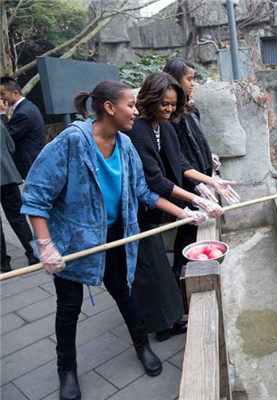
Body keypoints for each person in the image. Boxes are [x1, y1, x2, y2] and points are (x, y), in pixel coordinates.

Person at [21, 81, 207, 400]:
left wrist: (185, 212)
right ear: (109, 108)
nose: (135, 111)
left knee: (124, 292)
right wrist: (45, 245)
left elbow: (143, 191)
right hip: (71, 241)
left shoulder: (125, 145)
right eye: (130, 105)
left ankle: (142, 347)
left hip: (112, 236)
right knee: (69, 307)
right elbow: (36, 196)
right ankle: (66, 370)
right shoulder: (72, 141)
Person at [124, 72, 238, 342]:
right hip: (136, 211)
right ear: (150, 99)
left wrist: (211, 181)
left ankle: (169, 321)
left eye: (173, 104)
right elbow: (154, 180)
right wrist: (194, 201)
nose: (169, 109)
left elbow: (180, 164)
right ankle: (154, 328)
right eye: (164, 103)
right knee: (149, 272)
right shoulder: (138, 131)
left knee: (160, 271)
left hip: (154, 206)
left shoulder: (164, 127)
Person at [163, 58, 239, 280]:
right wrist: (197, 183)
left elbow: (196, 141)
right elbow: (176, 158)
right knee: (188, 233)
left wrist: (209, 157)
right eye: (189, 79)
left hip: (201, 179)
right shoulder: (170, 117)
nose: (192, 83)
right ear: (175, 81)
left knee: (196, 231)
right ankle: (180, 276)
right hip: (188, 186)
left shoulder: (190, 109)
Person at [1, 118, 37, 272]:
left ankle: (3, 263)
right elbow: (11, 146)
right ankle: (32, 253)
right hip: (7, 174)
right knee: (17, 216)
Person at [0, 76, 46, 179]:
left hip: (28, 166)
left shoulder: (23, 113)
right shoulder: (26, 107)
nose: (1, 98)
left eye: (2, 94)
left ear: (15, 93)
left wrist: (2, 114)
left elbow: (6, 137)